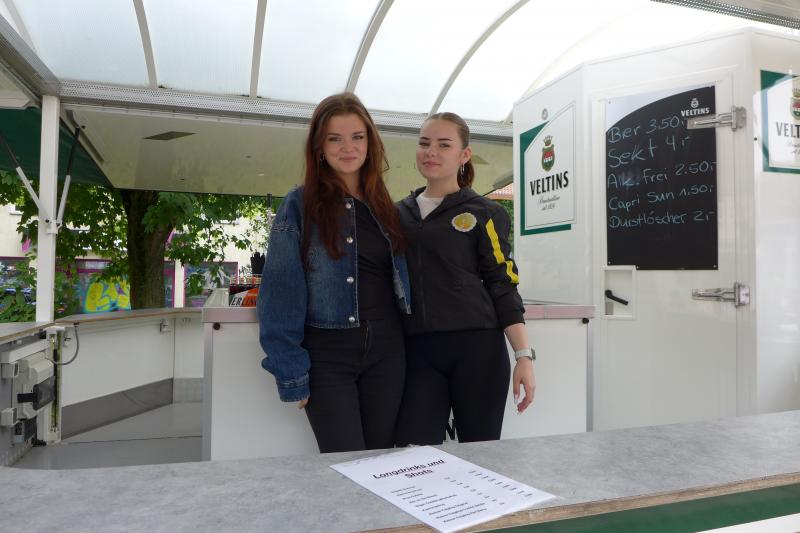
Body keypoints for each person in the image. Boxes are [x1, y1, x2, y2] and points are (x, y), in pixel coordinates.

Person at [257, 93, 411, 453]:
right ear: (319, 147)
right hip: (328, 356)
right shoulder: (299, 204)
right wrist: (290, 371)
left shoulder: (385, 207)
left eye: (357, 137)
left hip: (388, 353)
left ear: (370, 143)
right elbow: (280, 293)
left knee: (381, 461)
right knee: (345, 464)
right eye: (335, 138)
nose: (348, 148)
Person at [395, 112, 536, 446]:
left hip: (478, 351)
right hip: (417, 351)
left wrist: (523, 356)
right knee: (415, 455)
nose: (431, 152)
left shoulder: (485, 212)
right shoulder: (397, 214)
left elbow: (503, 285)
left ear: (464, 155)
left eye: (444, 145)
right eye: (424, 143)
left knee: (481, 455)